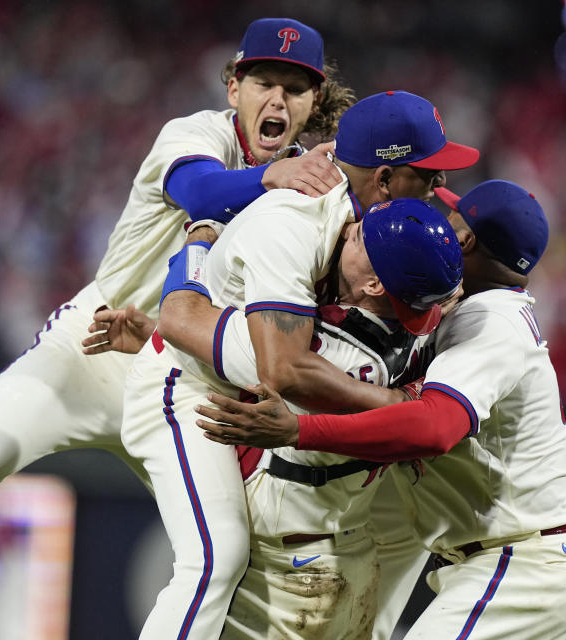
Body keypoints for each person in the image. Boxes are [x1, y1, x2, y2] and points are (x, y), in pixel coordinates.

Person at [0, 17, 355, 560]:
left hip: (189, 384)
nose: (277, 100)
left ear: (313, 102)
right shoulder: (194, 134)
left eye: (294, 88)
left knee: (233, 555)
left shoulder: (311, 188)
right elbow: (203, 192)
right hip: (94, 348)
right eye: (263, 82)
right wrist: (271, 176)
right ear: (234, 86)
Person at [120, 90, 479, 639]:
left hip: (241, 361)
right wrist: (396, 407)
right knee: (215, 557)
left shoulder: (378, 230)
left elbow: (194, 318)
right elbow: (278, 368)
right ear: (381, 180)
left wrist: (194, 253)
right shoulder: (300, 218)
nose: (437, 188)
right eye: (426, 173)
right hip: (187, 383)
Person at [195, 180, 566, 639]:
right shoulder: (458, 309)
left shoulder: (491, 322)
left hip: (524, 562)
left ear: (464, 240)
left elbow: (435, 427)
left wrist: (300, 432)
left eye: (453, 218)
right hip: (506, 556)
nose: (442, 222)